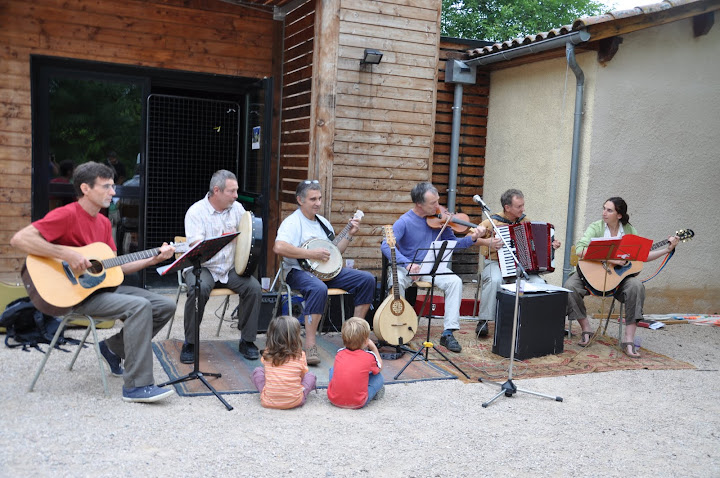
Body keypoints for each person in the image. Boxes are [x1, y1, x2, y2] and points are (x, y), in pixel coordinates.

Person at [10, 161, 176, 403]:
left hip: (101, 290)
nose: (113, 191)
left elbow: (113, 264)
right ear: (86, 188)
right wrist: (66, 254)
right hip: (75, 294)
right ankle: (137, 387)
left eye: (112, 186)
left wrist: (153, 260)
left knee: (165, 306)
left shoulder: (103, 222)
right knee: (139, 307)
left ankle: (112, 348)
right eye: (106, 186)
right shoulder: (66, 214)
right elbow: (19, 239)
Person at [273, 180, 375, 366]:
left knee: (366, 279)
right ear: (300, 200)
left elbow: (334, 255)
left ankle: (355, 335)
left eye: (319, 198)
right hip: (297, 272)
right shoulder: (292, 223)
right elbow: (278, 247)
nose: (318, 203)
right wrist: (311, 254)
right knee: (318, 288)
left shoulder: (323, 223)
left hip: (325, 273)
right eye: (313, 199)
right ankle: (310, 344)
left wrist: (350, 234)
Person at [563, 197, 679, 358]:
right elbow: (580, 250)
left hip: (618, 279)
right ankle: (586, 328)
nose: (604, 213)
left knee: (636, 286)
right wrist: (610, 259)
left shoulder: (629, 231)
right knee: (570, 286)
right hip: (590, 274)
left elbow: (642, 255)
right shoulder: (596, 227)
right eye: (604, 208)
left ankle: (628, 339)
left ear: (619, 215)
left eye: (609, 210)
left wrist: (667, 249)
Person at [379, 182, 487, 353]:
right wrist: (407, 263)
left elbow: (454, 244)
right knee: (396, 281)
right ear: (419, 204)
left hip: (431, 267)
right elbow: (386, 246)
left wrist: (472, 238)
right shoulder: (404, 221)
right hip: (409, 267)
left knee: (455, 282)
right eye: (433, 203)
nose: (438, 206)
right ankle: (396, 327)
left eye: (438, 201)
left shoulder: (440, 220)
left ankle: (448, 333)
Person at [182, 170, 262, 362]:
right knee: (198, 288)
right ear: (216, 191)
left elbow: (248, 236)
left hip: (229, 268)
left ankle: (247, 341)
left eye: (236, 191)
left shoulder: (238, 209)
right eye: (232, 191)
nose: (236, 196)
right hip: (203, 266)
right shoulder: (196, 212)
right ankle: (190, 343)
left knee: (254, 288)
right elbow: (197, 248)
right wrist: (224, 239)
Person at [476, 189, 561, 336]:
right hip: (495, 263)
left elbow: (535, 245)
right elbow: (471, 238)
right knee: (495, 280)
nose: (523, 209)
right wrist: (487, 241)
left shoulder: (524, 221)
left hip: (521, 266)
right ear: (507, 207)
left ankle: (532, 321)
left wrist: (551, 246)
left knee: (539, 284)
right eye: (519, 206)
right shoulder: (491, 221)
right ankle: (484, 321)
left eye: (523, 205)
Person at [251, 315, 317, 409]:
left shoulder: (267, 353)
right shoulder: (300, 355)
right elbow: (301, 377)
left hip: (268, 400)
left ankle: (270, 393)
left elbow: (267, 374)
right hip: (295, 401)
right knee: (311, 376)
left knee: (258, 371)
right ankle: (289, 394)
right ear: (296, 337)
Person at [327, 317, 384, 409]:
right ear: (366, 341)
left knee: (333, 370)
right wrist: (374, 348)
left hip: (334, 399)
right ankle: (371, 393)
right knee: (379, 377)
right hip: (358, 402)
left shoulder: (340, 352)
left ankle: (337, 391)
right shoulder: (369, 356)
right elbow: (380, 367)